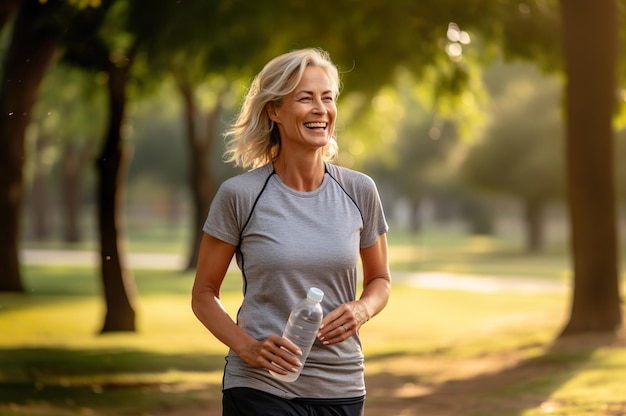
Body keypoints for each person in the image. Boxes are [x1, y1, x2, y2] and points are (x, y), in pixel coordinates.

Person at [191, 47, 391, 416]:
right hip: (259, 387)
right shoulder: (241, 195)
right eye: (305, 98)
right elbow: (203, 294)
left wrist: (361, 309)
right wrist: (247, 347)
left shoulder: (360, 190)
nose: (320, 109)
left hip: (341, 387)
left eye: (327, 98)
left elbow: (380, 279)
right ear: (275, 110)